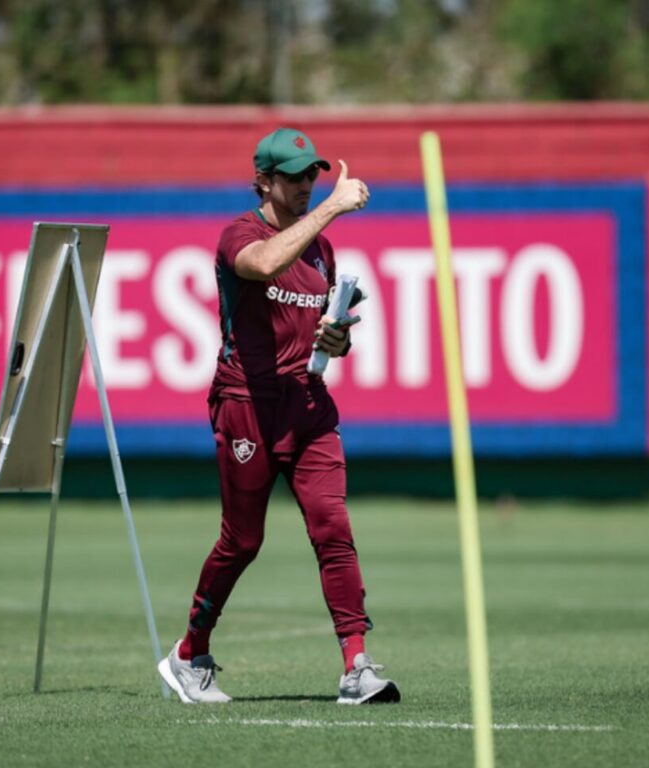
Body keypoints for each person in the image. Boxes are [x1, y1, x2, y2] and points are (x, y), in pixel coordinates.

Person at [157, 127, 400, 705]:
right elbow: (265, 262)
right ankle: (189, 654)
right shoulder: (240, 235)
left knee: (333, 529)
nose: (305, 185)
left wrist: (337, 340)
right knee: (242, 541)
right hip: (246, 406)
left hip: (308, 403)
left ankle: (356, 664)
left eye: (312, 175)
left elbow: (323, 327)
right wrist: (333, 207)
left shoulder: (321, 249)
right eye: (292, 177)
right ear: (263, 181)